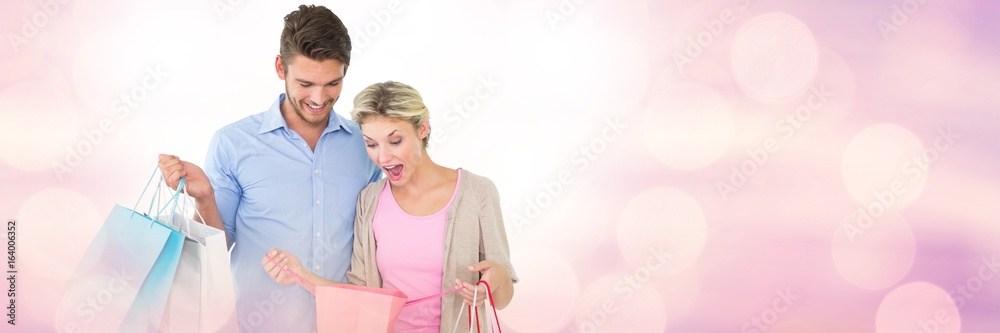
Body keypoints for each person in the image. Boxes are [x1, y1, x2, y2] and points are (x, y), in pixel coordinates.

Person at [157, 5, 381, 332]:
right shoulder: (233, 143)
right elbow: (216, 251)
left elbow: (383, 238)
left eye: (332, 83)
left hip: (344, 324)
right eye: (306, 83)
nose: (319, 98)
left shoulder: (366, 145)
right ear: (280, 67)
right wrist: (205, 198)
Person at [261, 81, 518, 332]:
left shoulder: (477, 193)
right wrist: (300, 274)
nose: (382, 157)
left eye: (395, 141)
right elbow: (360, 294)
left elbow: (505, 296)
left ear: (423, 129)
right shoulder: (370, 200)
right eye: (371, 144)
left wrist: (495, 279)